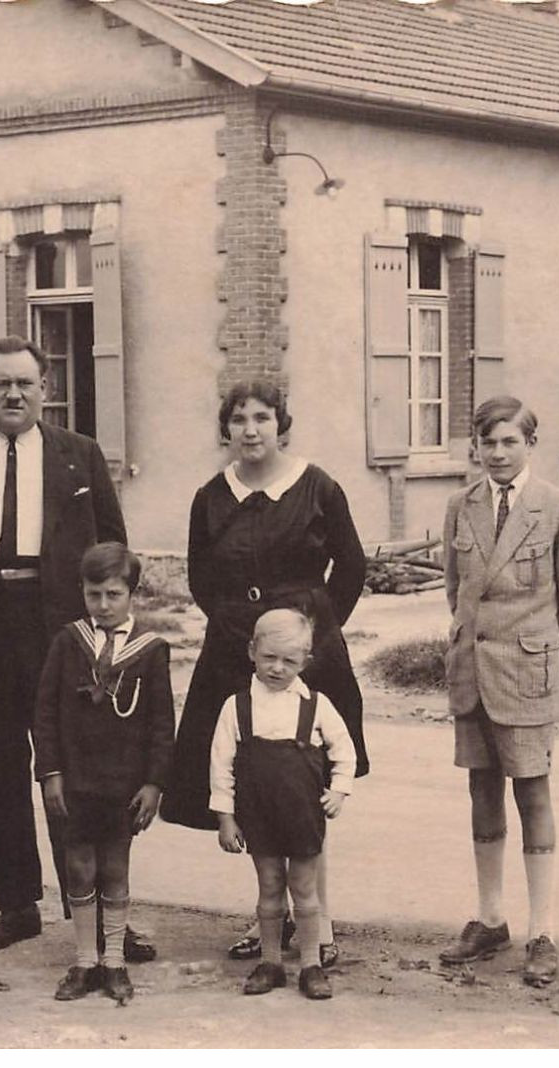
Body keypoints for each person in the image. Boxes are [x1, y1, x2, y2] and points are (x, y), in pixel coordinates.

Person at [0, 336, 153, 961]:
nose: (13, 395)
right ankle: (15, 906)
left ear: (46, 388)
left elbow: (113, 550)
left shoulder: (81, 455)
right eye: (0, 384)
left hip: (62, 635)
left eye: (25, 383)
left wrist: (107, 636)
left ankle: (102, 914)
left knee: (77, 775)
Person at [160, 379, 369, 968]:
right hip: (234, 654)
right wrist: (236, 628)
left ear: (282, 424)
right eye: (239, 420)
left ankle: (318, 926)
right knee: (251, 784)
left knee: (302, 785)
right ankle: (269, 922)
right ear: (225, 428)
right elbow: (201, 575)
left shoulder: (318, 487)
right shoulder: (211, 496)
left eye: (262, 418)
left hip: (305, 656)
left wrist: (314, 631)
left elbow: (350, 567)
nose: (251, 430)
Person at [439, 395, 559, 986]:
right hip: (472, 676)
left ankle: (543, 931)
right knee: (482, 791)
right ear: (475, 446)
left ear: (530, 444)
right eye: (488, 442)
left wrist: (547, 665)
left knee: (533, 796)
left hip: (528, 676)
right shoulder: (460, 506)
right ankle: (490, 918)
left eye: (510, 441)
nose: (498, 453)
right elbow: (457, 594)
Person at [33, 542, 175, 1005]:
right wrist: (50, 771)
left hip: (124, 785)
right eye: (94, 594)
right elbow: (46, 713)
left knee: (115, 867)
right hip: (75, 780)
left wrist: (154, 783)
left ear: (132, 592)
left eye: (114, 594)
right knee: (78, 866)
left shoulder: (150, 651)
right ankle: (84, 961)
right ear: (82, 591)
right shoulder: (67, 641)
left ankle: (114, 962)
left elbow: (161, 723)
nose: (104, 605)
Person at [211, 609, 356, 1000]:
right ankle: (271, 962)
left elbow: (345, 751)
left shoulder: (316, 705)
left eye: (289, 661)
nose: (277, 668)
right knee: (270, 887)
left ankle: (310, 964)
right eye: (269, 657)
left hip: (302, 815)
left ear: (305, 662)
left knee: (305, 889)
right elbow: (220, 766)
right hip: (258, 815)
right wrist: (226, 817)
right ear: (252, 651)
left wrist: (338, 790)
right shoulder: (236, 707)